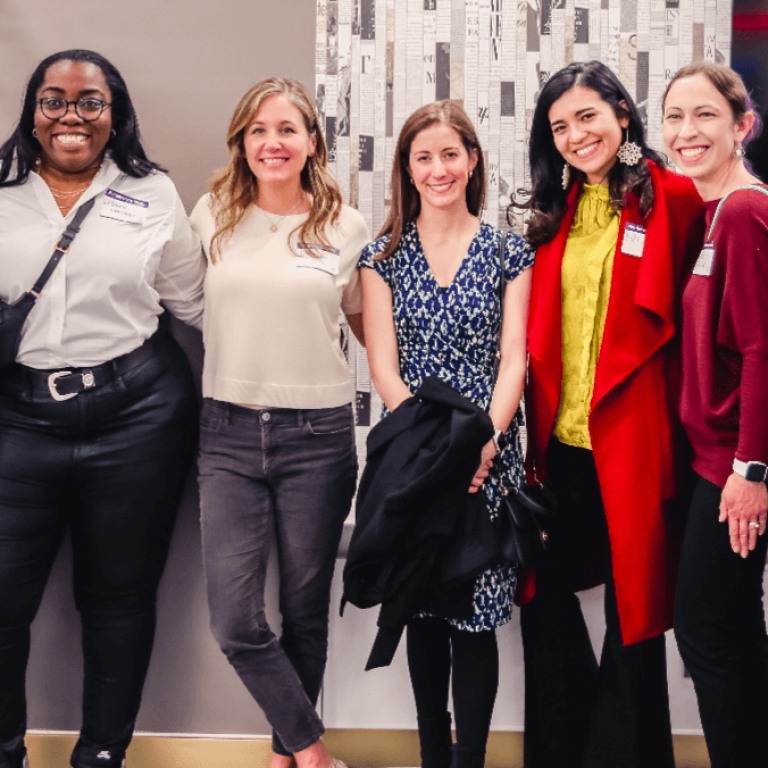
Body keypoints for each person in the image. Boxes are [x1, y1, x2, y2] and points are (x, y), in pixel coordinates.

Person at [0, 50, 204, 768]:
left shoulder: (151, 193)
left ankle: (100, 755)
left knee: (118, 600)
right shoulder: (1, 191)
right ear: (33, 110)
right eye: (54, 100)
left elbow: (196, 301)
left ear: (115, 115)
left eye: (91, 102)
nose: (72, 117)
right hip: (18, 421)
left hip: (137, 416)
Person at [514, 60, 706, 768]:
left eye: (587, 116)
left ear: (623, 115)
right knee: (542, 600)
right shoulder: (555, 212)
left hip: (638, 437)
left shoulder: (675, 200)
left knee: (634, 616)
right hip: (560, 442)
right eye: (559, 126)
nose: (574, 135)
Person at [189, 77, 367, 768]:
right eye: (259, 130)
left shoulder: (344, 225)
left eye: (288, 129)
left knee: (304, 609)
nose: (273, 142)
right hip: (226, 433)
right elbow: (181, 303)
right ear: (242, 141)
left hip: (319, 437)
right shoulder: (211, 216)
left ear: (312, 142)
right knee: (235, 620)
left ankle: (282, 754)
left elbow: (361, 324)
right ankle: (312, 748)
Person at [360, 100, 533, 768]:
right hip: (414, 455)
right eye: (424, 157)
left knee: (476, 611)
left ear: (473, 160)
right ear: (407, 168)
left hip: (487, 459)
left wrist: (485, 438)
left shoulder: (509, 252)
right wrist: (435, 449)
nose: (439, 169)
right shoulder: (383, 256)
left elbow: (513, 357)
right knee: (423, 607)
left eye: (450, 154)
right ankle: (434, 752)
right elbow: (384, 366)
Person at [663, 62, 768, 768]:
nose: (686, 131)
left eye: (704, 115)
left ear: (742, 126)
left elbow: (764, 347)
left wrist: (751, 470)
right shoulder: (708, 214)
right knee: (732, 626)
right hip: (710, 458)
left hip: (735, 465)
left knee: (702, 628)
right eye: (674, 116)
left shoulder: (744, 211)